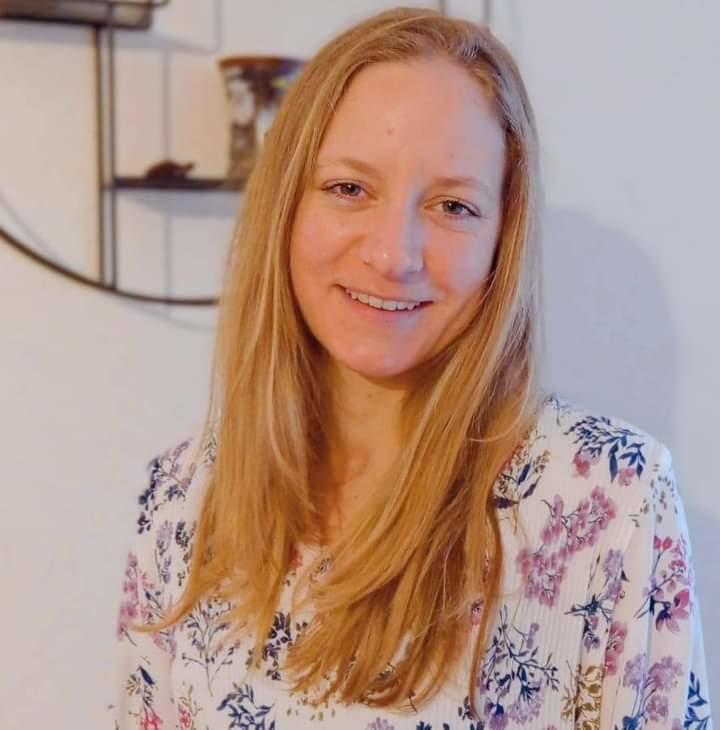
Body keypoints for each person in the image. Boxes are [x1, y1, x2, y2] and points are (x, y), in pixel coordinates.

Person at [108, 7, 712, 729]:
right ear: (285, 210)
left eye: (453, 205)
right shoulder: (182, 496)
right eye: (349, 189)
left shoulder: (610, 497)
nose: (393, 254)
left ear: (502, 241)